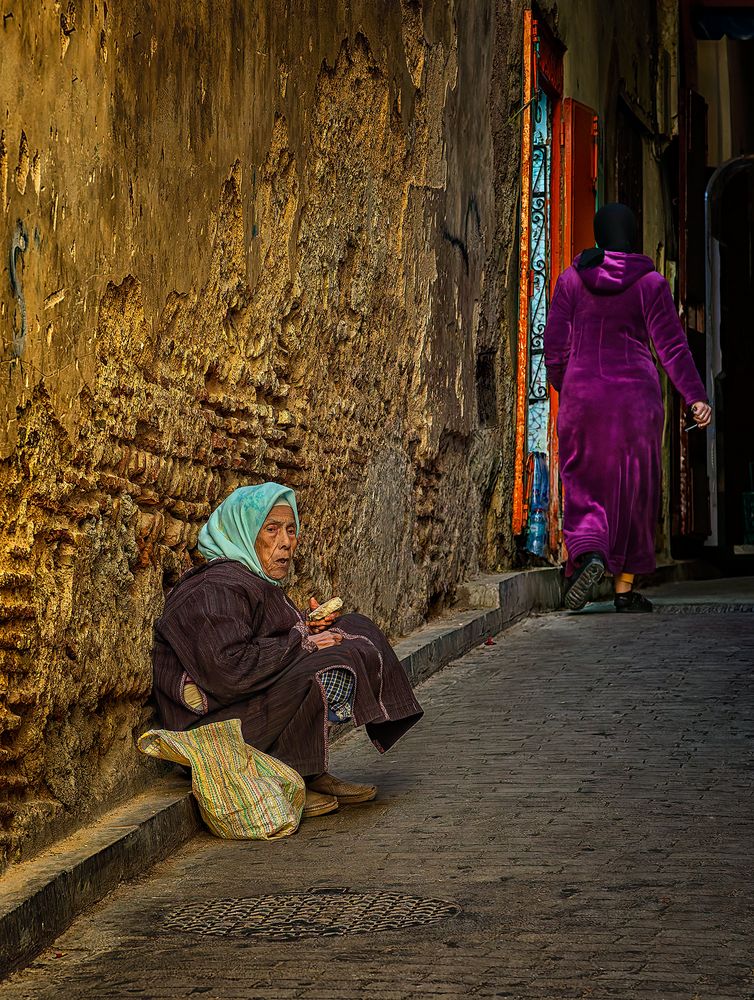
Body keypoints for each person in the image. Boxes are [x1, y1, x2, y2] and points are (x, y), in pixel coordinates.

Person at [151, 483, 423, 818]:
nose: (286, 543)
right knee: (329, 664)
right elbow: (230, 671)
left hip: (246, 703)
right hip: (211, 730)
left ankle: (307, 771)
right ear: (244, 531)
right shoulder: (215, 589)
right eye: (272, 530)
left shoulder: (251, 579)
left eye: (291, 530)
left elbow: (268, 639)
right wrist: (303, 643)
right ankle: (288, 778)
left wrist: (306, 628)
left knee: (355, 628)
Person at [544, 203, 712, 613]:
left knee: (585, 484)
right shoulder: (651, 283)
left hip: (584, 397)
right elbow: (672, 347)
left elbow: (553, 347)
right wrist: (695, 396)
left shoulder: (570, 280)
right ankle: (623, 590)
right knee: (635, 491)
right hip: (637, 402)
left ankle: (591, 551)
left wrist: (571, 386)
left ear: (599, 235)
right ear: (633, 235)